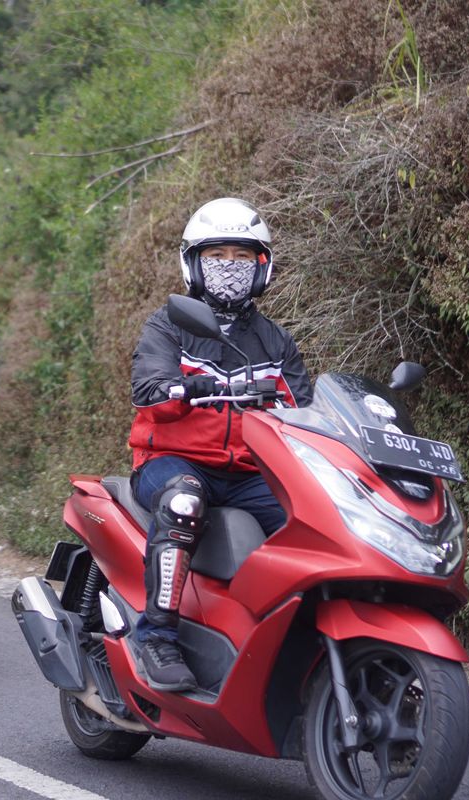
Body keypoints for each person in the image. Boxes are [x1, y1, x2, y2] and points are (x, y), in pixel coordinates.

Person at [128, 197, 313, 692]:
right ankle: (157, 637)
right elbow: (146, 389)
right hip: (173, 462)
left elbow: (306, 414)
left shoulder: (277, 342)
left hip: (252, 473)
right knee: (184, 502)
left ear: (261, 267)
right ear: (194, 265)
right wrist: (186, 388)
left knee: (313, 520)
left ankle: (300, 643)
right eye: (217, 257)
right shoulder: (169, 324)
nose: (229, 267)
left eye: (241, 257)